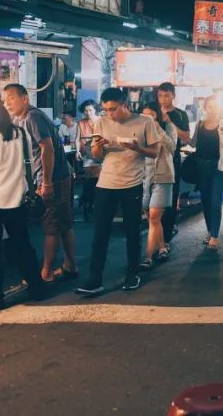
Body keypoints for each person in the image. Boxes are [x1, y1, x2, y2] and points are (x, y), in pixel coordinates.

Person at [75, 87, 160, 296]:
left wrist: (137, 148)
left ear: (124, 104)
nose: (110, 114)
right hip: (106, 183)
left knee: (132, 232)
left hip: (132, 183)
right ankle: (95, 279)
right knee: (100, 233)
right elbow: (96, 155)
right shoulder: (101, 122)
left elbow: (155, 151)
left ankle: (133, 273)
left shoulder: (145, 122)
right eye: (106, 110)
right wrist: (99, 146)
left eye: (113, 109)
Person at [0, 95, 46, 311]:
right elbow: (27, 166)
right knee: (23, 245)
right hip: (18, 200)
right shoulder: (20, 134)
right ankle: (37, 288)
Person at [1, 84, 77, 284]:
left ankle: (46, 272)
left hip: (54, 177)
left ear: (25, 98)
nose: (7, 103)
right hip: (57, 175)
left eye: (11, 98)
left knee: (51, 225)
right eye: (4, 99)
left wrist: (47, 182)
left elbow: (47, 148)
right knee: (64, 223)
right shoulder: (19, 118)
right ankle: (70, 265)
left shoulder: (33, 117)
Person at [138, 102, 177, 268]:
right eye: (144, 115)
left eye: (151, 115)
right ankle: (162, 248)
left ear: (157, 116)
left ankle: (147, 257)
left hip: (163, 177)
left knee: (154, 217)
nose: (147, 118)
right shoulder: (140, 131)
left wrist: (157, 128)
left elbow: (171, 147)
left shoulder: (168, 127)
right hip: (145, 178)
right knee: (152, 218)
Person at [192, 95, 223, 251]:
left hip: (218, 168)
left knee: (215, 202)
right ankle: (210, 231)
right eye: (210, 106)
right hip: (201, 168)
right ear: (205, 108)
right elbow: (193, 142)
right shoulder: (199, 125)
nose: (213, 109)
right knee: (206, 201)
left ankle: (214, 237)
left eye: (216, 106)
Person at [157, 82, 191, 251]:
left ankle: (166, 238)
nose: (163, 100)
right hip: (152, 160)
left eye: (167, 96)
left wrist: (170, 122)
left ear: (173, 96)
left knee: (170, 199)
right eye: (160, 96)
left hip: (172, 160)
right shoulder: (152, 112)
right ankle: (156, 233)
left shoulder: (180, 114)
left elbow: (186, 138)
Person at [77, 100, 101, 221]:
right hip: (87, 154)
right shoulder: (81, 123)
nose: (88, 113)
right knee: (89, 181)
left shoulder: (101, 121)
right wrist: (77, 151)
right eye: (86, 110)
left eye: (90, 110)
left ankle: (94, 204)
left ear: (95, 110)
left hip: (101, 154)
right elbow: (77, 138)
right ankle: (88, 204)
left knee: (99, 181)